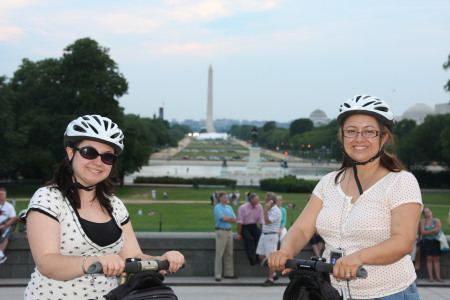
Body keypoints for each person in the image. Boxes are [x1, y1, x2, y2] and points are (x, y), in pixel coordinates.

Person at [268, 95, 423, 299]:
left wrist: (359, 257)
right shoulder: (329, 182)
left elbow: (403, 242)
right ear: (342, 136)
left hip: (388, 293)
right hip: (333, 292)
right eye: (351, 131)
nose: (359, 139)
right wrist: (285, 251)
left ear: (383, 138)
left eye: (369, 131)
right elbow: (302, 228)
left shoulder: (401, 182)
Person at [23, 115, 185, 300]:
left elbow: (133, 256)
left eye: (107, 157)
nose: (98, 162)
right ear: (70, 152)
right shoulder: (48, 198)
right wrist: (94, 261)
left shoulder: (114, 204)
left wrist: (162, 259)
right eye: (89, 152)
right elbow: (47, 263)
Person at [256, 192, 281, 287]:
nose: (264, 201)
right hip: (264, 235)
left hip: (271, 236)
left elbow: (267, 221)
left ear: (271, 201)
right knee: (261, 256)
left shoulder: (275, 210)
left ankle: (270, 278)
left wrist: (265, 210)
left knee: (270, 259)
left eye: (266, 199)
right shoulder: (270, 210)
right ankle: (274, 274)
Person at [214, 191, 238, 282]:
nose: (226, 199)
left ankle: (229, 273)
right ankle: (218, 275)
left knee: (229, 254)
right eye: (224, 197)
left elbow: (234, 219)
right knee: (219, 254)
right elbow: (222, 218)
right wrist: (229, 218)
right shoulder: (217, 207)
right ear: (220, 198)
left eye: (226, 197)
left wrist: (229, 218)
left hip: (229, 232)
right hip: (221, 231)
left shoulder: (229, 207)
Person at [236, 193, 264, 265]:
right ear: (251, 200)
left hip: (253, 225)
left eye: (258, 199)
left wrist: (261, 230)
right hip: (244, 226)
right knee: (248, 238)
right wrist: (239, 234)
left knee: (259, 236)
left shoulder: (259, 207)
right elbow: (240, 222)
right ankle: (250, 257)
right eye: (256, 199)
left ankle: (258, 256)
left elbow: (261, 220)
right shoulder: (243, 208)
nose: (258, 201)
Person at [419, 207, 443, 282]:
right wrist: (433, 230)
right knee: (429, 259)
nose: (428, 213)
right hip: (427, 242)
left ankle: (438, 277)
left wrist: (428, 231)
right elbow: (422, 232)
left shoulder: (437, 220)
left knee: (436, 259)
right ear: (424, 215)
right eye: (426, 212)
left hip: (436, 241)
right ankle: (431, 277)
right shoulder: (423, 222)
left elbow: (437, 231)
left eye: (429, 211)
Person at [0, 187, 17, 264]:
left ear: (6, 196)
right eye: (0, 194)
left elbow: (13, 218)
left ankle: (1, 254)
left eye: (3, 194)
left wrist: (4, 225)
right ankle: (1, 255)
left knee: (4, 234)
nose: (1, 196)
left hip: (6, 225)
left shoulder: (9, 206)